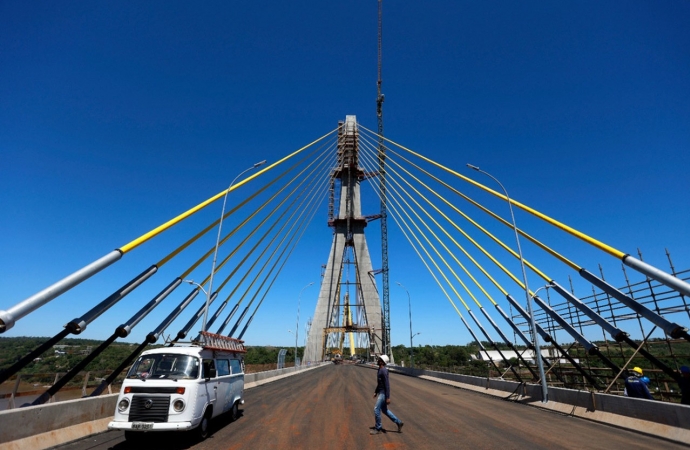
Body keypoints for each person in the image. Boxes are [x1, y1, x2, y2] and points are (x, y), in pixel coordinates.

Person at [371, 355, 404, 435]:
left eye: (379, 359)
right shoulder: (379, 370)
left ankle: (378, 428)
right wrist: (376, 392)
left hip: (383, 393)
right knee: (384, 410)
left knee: (376, 409)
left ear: (382, 362)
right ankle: (399, 422)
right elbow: (379, 383)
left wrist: (388, 397)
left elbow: (387, 385)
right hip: (381, 392)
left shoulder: (384, 371)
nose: (378, 360)